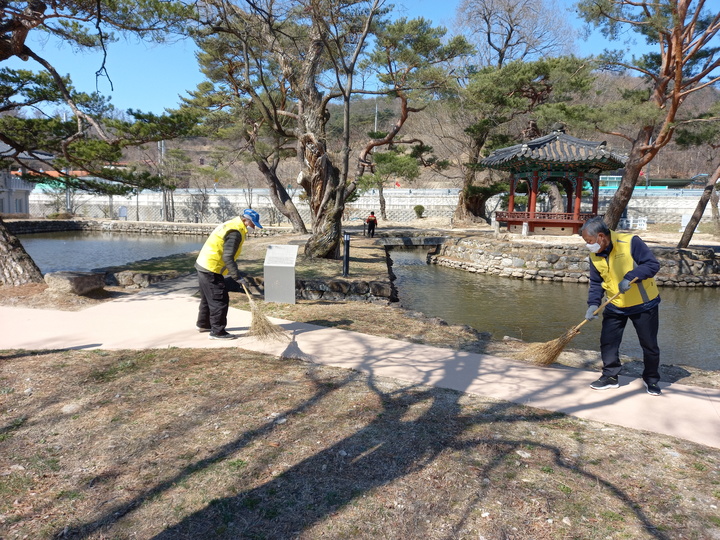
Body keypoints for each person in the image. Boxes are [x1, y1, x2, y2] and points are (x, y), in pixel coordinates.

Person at [580, 216, 662, 395]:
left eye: (589, 241)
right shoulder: (594, 255)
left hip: (644, 304)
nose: (588, 245)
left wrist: (630, 276)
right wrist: (593, 305)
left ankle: (652, 379)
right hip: (614, 304)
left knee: (649, 344)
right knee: (608, 342)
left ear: (601, 236)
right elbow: (596, 282)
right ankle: (610, 376)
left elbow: (652, 264)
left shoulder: (630, 242)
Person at [195, 209, 263, 339]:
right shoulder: (235, 232)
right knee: (219, 299)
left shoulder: (231, 224)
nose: (253, 227)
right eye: (252, 224)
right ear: (245, 220)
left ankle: (203, 324)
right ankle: (217, 332)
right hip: (211, 267)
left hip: (204, 264)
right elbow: (228, 257)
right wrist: (237, 277)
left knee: (207, 298)